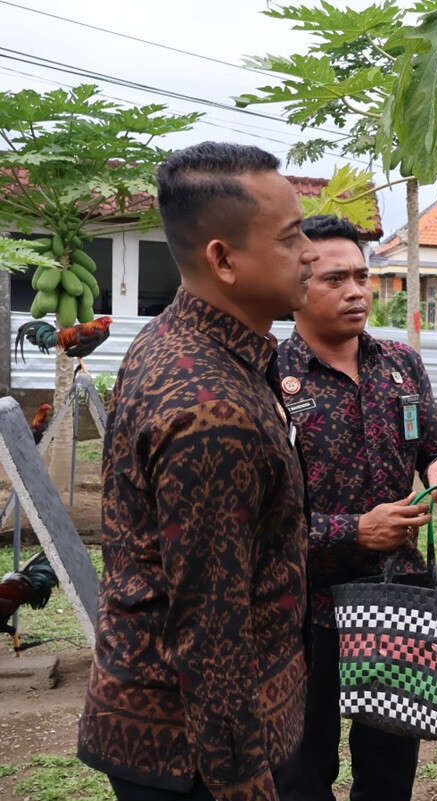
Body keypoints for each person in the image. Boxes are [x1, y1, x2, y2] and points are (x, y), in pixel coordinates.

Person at [77, 142, 317, 801]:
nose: (311, 255)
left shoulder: (171, 336)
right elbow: (210, 627)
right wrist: (244, 782)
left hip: (167, 726)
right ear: (223, 258)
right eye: (293, 237)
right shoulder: (212, 409)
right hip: (196, 756)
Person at [272, 216, 437, 800]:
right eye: (335, 279)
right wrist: (354, 530)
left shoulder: (400, 364)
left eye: (361, 275)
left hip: (394, 603)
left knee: (389, 768)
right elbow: (259, 523)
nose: (356, 291)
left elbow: (435, 445)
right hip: (305, 610)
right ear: (298, 287)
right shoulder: (269, 376)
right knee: (302, 772)